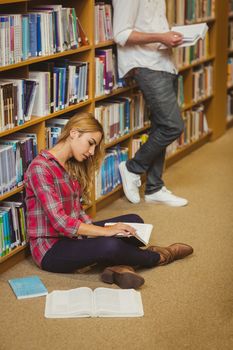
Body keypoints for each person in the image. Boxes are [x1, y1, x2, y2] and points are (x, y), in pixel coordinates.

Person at [24, 112, 193, 289]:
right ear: (73, 133)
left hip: (74, 236)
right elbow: (61, 222)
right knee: (110, 244)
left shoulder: (70, 164)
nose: (91, 152)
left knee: (134, 222)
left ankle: (118, 266)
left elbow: (77, 210)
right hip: (51, 248)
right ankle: (159, 257)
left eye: (94, 147)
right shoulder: (40, 168)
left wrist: (95, 234)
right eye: (90, 143)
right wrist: (105, 232)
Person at [112, 0, 188, 207]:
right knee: (173, 126)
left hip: (164, 63)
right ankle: (132, 168)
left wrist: (169, 36)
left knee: (161, 126)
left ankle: (154, 187)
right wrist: (161, 36)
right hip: (146, 65)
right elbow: (121, 34)